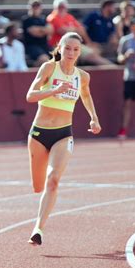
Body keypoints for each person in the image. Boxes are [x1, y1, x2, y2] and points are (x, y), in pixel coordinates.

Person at [26, 31, 101, 245]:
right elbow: (30, 96)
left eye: (76, 49)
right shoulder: (49, 68)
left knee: (53, 181)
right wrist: (54, 89)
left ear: (80, 52)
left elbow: (86, 95)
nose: (71, 52)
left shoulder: (82, 76)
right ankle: (39, 216)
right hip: (39, 134)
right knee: (38, 186)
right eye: (67, 48)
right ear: (59, 48)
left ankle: (38, 228)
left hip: (63, 134)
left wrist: (94, 118)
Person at [46, 0, 110, 65]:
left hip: (73, 45)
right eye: (59, 7)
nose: (61, 9)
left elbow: (81, 30)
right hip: (59, 46)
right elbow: (63, 31)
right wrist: (73, 29)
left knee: (94, 53)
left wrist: (89, 43)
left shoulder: (69, 17)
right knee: (71, 56)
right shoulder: (52, 17)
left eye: (63, 7)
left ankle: (113, 68)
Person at [21, 0, 53, 65]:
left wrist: (40, 30)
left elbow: (50, 30)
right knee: (45, 59)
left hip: (44, 45)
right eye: (34, 6)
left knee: (60, 57)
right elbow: (34, 33)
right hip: (32, 46)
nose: (36, 8)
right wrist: (44, 30)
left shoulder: (43, 19)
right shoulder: (26, 20)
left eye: (37, 6)